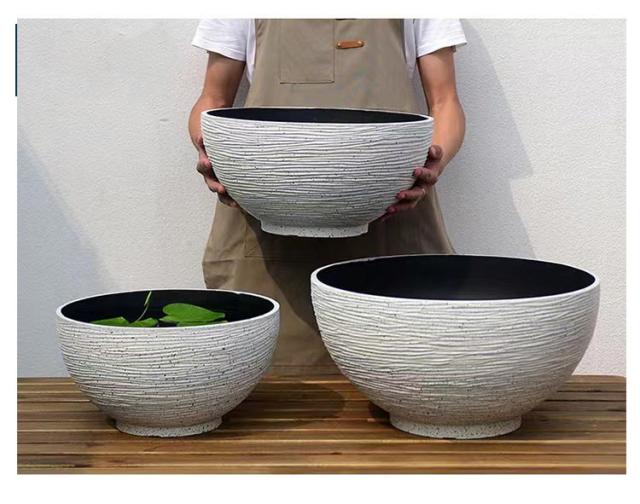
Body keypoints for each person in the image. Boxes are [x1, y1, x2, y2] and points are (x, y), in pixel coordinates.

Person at [189, 19, 466, 375]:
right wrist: (211, 153)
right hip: (269, 224)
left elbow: (445, 101)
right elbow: (213, 99)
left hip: (391, 214)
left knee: (403, 375)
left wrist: (433, 165)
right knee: (278, 392)